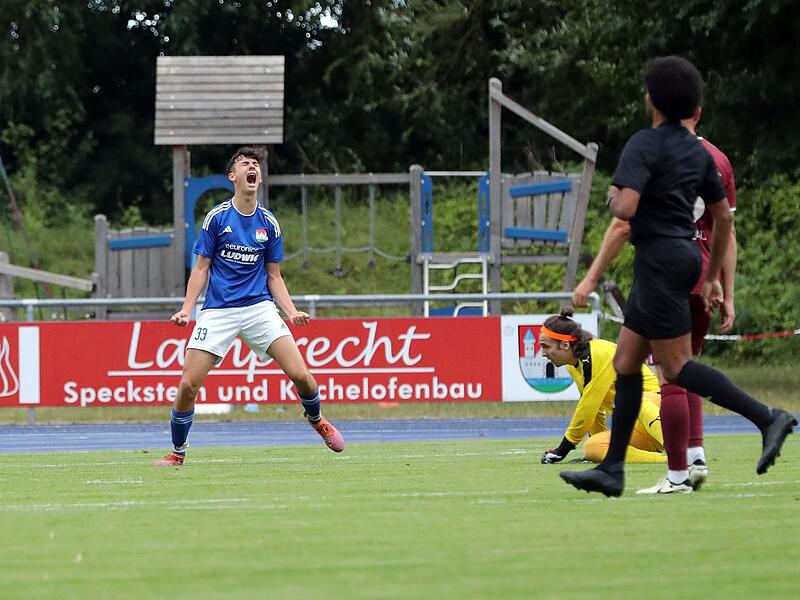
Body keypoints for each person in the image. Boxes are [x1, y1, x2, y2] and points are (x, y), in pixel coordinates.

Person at [560, 56, 795, 497]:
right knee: (627, 364)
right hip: (684, 258)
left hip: (658, 263)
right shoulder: (698, 152)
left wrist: (612, 197)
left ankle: (768, 418)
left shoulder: (644, 145)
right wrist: (711, 279)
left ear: (651, 99)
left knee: (676, 367)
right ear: (693, 106)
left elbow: (625, 210)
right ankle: (612, 471)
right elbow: (724, 220)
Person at [572, 107, 739, 492]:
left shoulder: (653, 152)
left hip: (664, 275)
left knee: (667, 375)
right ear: (699, 111)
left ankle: (679, 470)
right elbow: (725, 231)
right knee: (686, 366)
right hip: (703, 275)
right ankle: (695, 453)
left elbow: (623, 222)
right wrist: (725, 289)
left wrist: (591, 277)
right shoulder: (718, 158)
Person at [154, 147, 345, 467]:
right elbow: (201, 268)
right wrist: (187, 309)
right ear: (234, 177)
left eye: (255, 164)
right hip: (218, 310)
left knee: (303, 377)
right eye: (245, 164)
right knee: (188, 385)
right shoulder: (217, 218)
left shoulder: (269, 223)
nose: (252, 167)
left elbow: (274, 276)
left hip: (259, 309)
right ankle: (177, 454)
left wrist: (291, 310)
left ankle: (317, 420)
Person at [538, 310, 666, 465]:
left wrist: (563, 449)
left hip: (658, 409)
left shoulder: (597, 354)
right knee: (593, 447)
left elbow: (587, 409)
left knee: (636, 400)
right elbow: (593, 409)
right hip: (639, 426)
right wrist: (597, 441)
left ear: (565, 345)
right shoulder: (574, 365)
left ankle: (676, 451)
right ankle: (665, 459)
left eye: (545, 347)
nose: (543, 354)